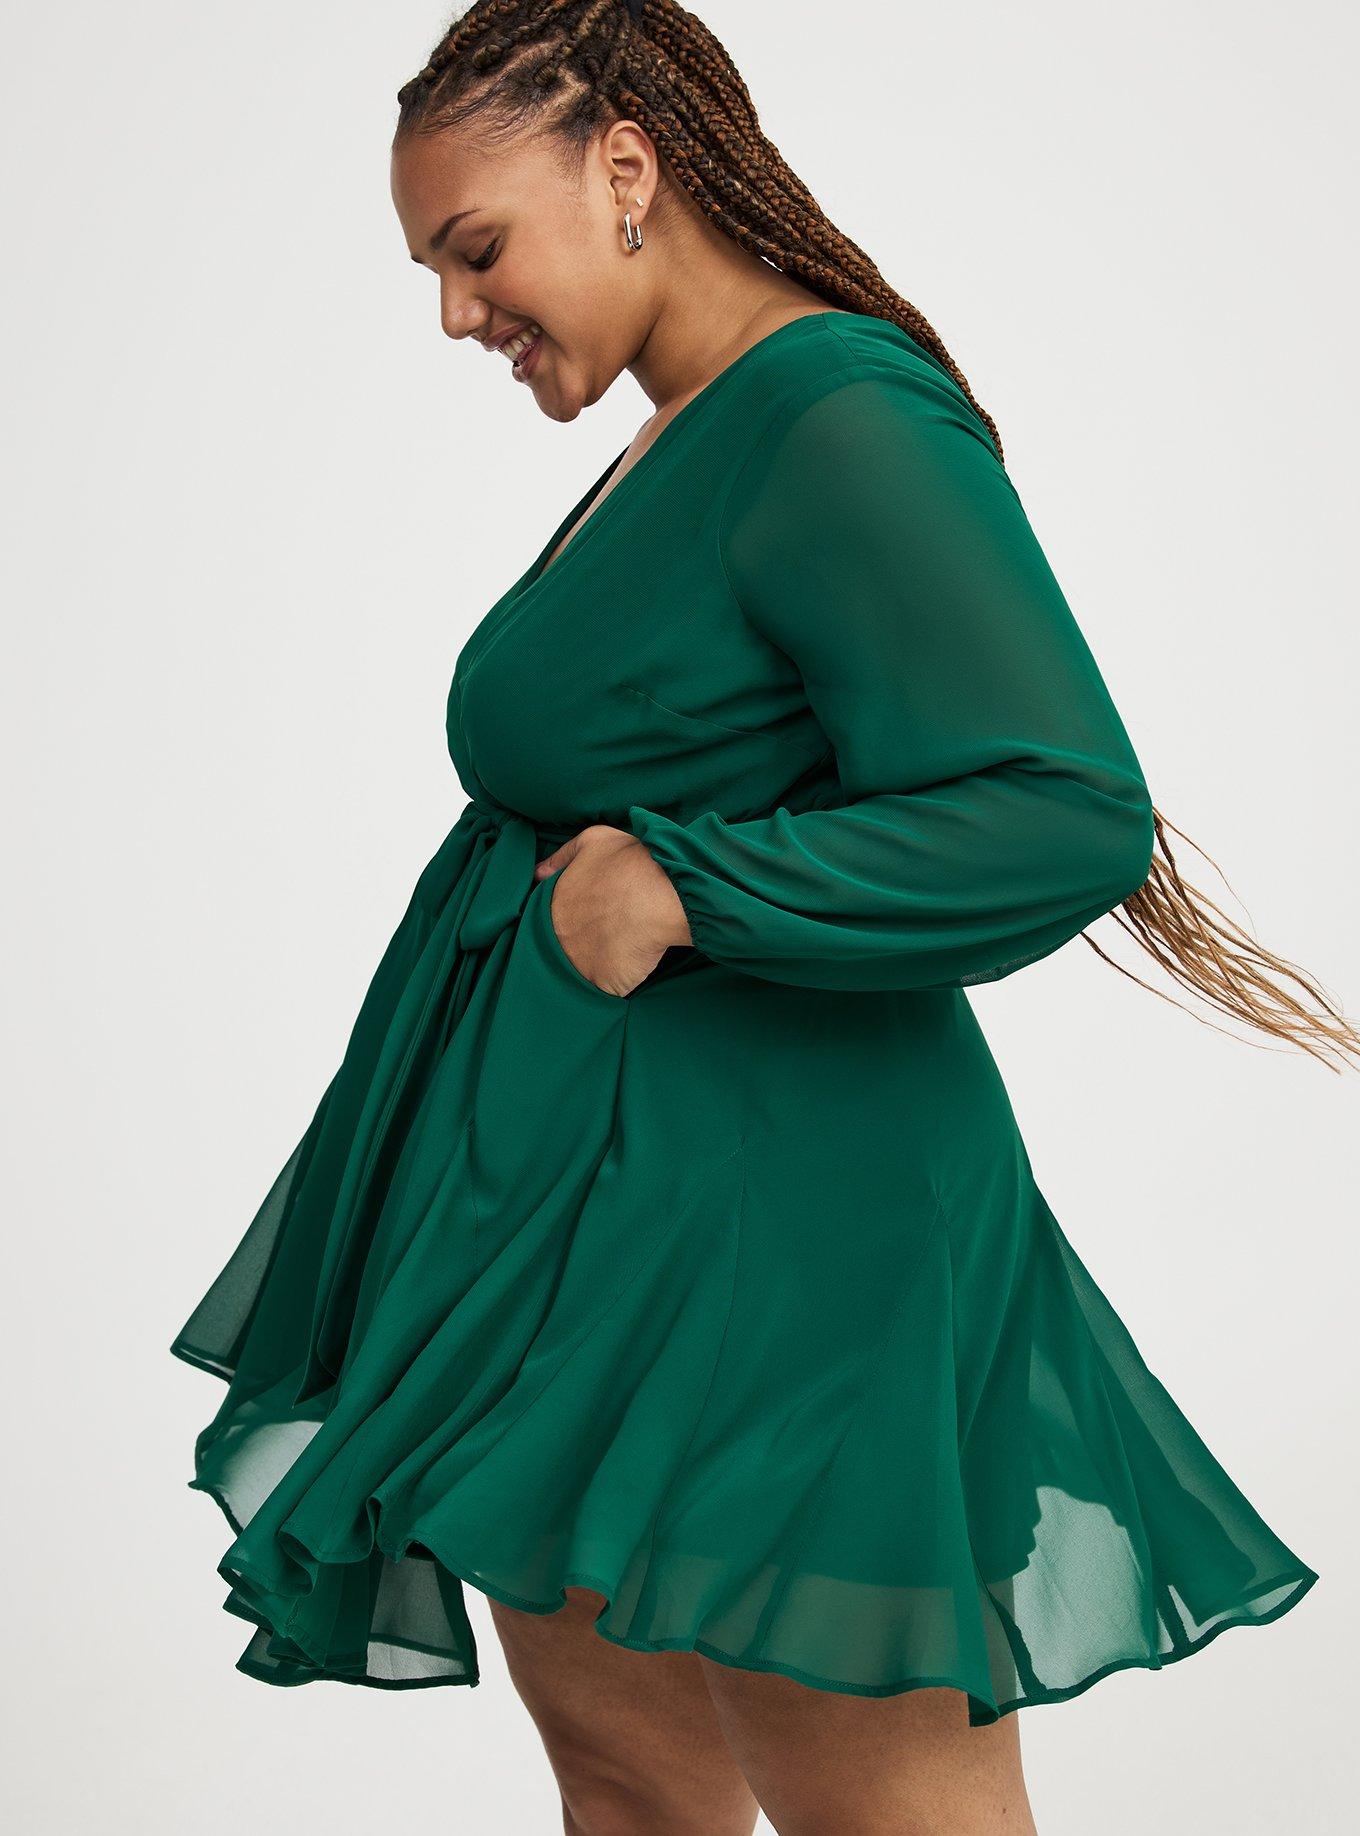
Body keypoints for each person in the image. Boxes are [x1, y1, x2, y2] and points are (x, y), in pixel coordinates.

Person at [170, 4, 1353, 1831]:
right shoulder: (691, 427)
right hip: (587, 1244)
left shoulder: (836, 416)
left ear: (625, 167)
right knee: (632, 1787)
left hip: (783, 1253)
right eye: (433, 273)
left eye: (477, 250)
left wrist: (687, 886)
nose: (457, 314)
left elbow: (1063, 811)